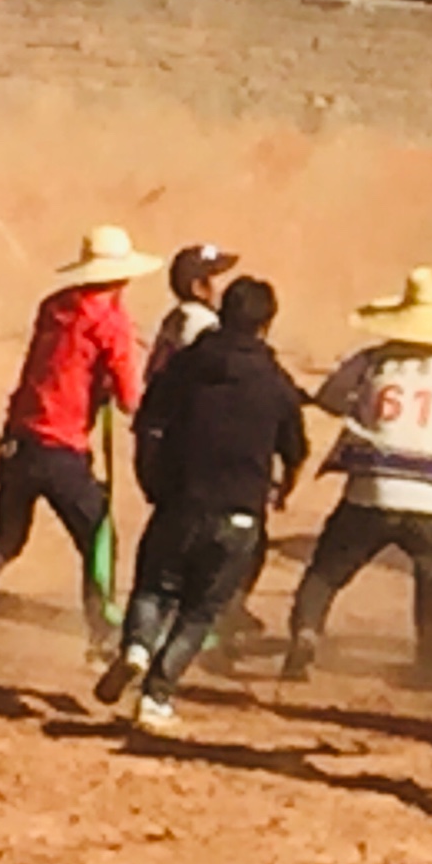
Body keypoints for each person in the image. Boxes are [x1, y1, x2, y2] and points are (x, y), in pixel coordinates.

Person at [0, 226, 163, 657]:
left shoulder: (55, 307)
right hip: (63, 446)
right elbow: (131, 398)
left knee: (7, 537)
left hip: (19, 438)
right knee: (98, 536)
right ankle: (99, 635)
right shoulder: (111, 323)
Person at [103, 276, 308, 732]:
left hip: (181, 500)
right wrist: (283, 488)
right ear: (266, 325)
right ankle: (156, 696)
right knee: (200, 610)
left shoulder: (187, 365)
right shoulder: (276, 383)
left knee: (155, 588)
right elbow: (295, 448)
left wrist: (153, 481)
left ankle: (136, 646)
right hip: (239, 512)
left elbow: (149, 420)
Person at [285, 267, 432, 679]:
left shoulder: (371, 360)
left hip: (372, 489)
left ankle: (306, 635)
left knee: (326, 571)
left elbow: (328, 399)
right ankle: (431, 660)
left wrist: (363, 412)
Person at [146, 243, 236, 385]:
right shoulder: (203, 322)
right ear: (198, 288)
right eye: (217, 276)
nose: (226, 283)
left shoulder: (178, 316)